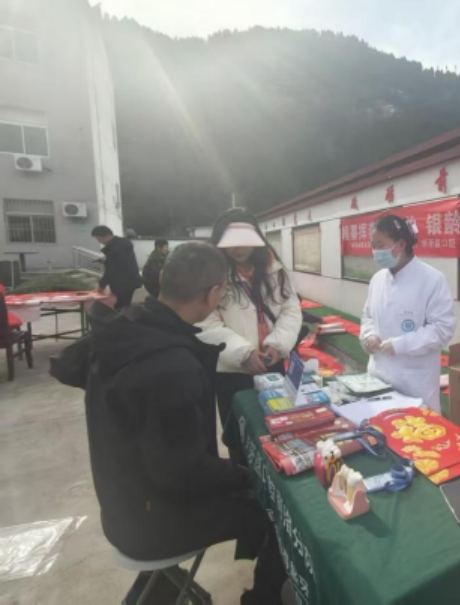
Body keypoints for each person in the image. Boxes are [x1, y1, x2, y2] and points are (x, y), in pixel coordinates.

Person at [50, 243, 286, 605]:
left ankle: (157, 589)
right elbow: (185, 474)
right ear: (214, 294)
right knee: (278, 510)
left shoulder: (125, 330)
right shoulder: (171, 365)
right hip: (155, 522)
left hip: (124, 505)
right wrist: (251, 475)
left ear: (162, 278)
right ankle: (262, 600)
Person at [197, 209, 302, 430]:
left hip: (272, 365)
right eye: (232, 242)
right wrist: (243, 353)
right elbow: (204, 322)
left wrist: (278, 344)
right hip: (232, 371)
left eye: (245, 240)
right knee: (239, 433)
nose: (239, 248)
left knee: (279, 427)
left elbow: (291, 310)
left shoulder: (275, 269)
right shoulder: (209, 274)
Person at [360, 214, 456, 412]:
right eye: (373, 245)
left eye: (380, 245)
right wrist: (369, 335)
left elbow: (442, 329)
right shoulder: (377, 279)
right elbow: (368, 315)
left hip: (414, 383)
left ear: (401, 244)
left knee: (414, 427)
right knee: (378, 425)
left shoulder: (432, 280)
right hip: (378, 378)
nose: (375, 251)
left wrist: (401, 345)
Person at [92, 225, 142, 310]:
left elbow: (112, 269)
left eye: (100, 239)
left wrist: (101, 285)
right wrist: (106, 261)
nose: (99, 242)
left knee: (121, 308)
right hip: (129, 281)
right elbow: (120, 263)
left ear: (108, 235)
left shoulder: (116, 249)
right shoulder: (121, 244)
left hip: (123, 283)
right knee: (125, 306)